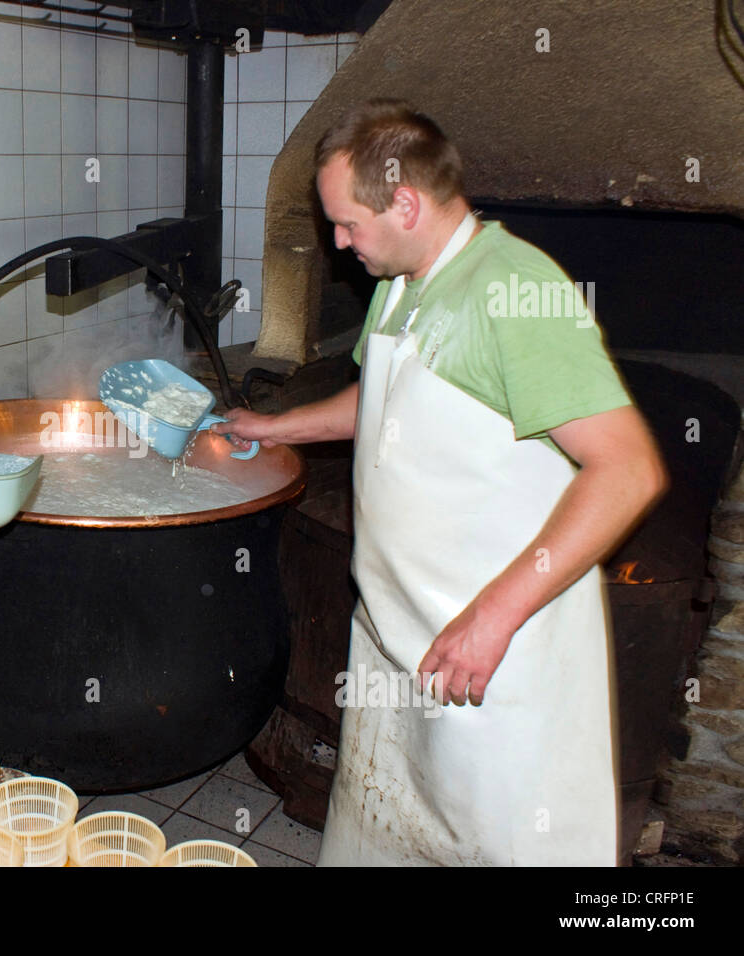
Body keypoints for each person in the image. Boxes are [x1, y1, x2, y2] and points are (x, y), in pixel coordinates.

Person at [215, 100, 668, 865]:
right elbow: (384, 399)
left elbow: (629, 468)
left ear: (405, 201)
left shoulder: (513, 291)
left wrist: (492, 617)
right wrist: (272, 427)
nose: (338, 242)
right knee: (389, 838)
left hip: (494, 661)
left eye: (348, 223)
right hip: (398, 640)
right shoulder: (402, 280)